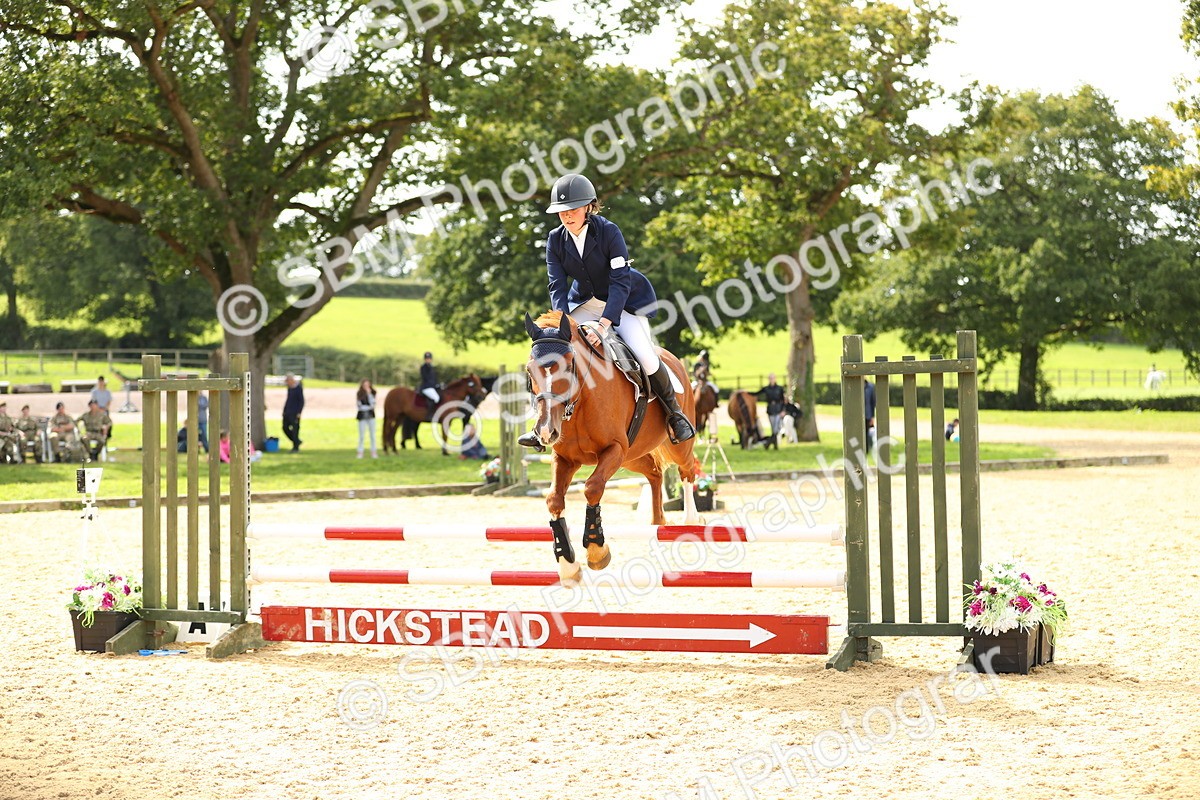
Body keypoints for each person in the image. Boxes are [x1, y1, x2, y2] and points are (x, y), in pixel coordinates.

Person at [518, 172, 695, 448]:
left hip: (622, 304)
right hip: (583, 304)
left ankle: (675, 414)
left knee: (646, 356)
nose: (567, 216)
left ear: (588, 206)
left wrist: (603, 325)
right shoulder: (555, 239)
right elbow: (557, 285)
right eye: (561, 211)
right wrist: (562, 323)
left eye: (573, 209)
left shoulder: (609, 231)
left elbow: (620, 282)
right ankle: (541, 424)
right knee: (551, 350)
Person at [755, 373, 787, 440]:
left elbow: (784, 400)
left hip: (778, 410)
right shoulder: (766, 389)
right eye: (770, 378)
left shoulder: (779, 388)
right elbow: (757, 393)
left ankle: (772, 441)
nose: (772, 380)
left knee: (776, 428)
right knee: (773, 428)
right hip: (770, 410)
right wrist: (747, 393)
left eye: (773, 378)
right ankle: (774, 441)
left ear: (775, 379)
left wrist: (783, 410)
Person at [356, 379, 378, 459]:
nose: (366, 387)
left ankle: (373, 451)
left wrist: (369, 394)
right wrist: (367, 407)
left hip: (371, 415)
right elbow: (359, 405)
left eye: (367, 385)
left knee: (372, 435)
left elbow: (373, 404)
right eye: (365, 385)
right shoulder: (359, 394)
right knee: (361, 435)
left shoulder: (373, 393)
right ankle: (360, 451)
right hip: (362, 416)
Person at [282, 374, 304, 452]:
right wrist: (284, 410)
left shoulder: (298, 388)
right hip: (288, 412)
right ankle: (297, 441)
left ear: (291, 380)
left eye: (287, 381)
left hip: (295, 413)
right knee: (285, 427)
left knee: (295, 430)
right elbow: (288, 400)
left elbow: (301, 401)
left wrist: (299, 412)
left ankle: (295, 447)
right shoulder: (289, 388)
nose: (287, 383)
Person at [419, 352, 439, 420]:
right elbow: (426, 378)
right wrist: (433, 385)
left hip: (432, 387)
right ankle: (430, 414)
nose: (428, 360)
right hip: (426, 387)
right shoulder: (424, 367)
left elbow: (434, 378)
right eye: (427, 359)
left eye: (429, 358)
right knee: (436, 398)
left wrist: (437, 384)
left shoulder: (432, 367)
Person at [864, 379, 877, 449]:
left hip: (867, 414)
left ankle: (867, 448)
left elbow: (873, 403)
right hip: (857, 415)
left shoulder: (870, 387)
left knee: (867, 432)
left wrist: (872, 417)